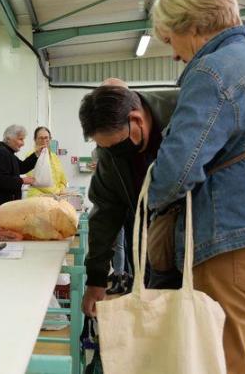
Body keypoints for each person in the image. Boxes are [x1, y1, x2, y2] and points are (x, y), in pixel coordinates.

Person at [147, 0, 245, 373]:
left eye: (170, 39)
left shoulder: (212, 71)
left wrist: (152, 197)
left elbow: (175, 174)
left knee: (219, 362)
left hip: (231, 244)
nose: (175, 53)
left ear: (194, 26)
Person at [78, 84, 179, 316]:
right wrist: (96, 278)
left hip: (201, 249)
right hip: (149, 248)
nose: (115, 154)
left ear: (137, 119)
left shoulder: (184, 115)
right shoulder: (110, 152)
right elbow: (105, 212)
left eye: (118, 145)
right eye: (105, 148)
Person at [0, 125, 40, 209]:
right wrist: (22, 180)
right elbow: (0, 179)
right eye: (20, 139)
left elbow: (22, 167)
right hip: (0, 208)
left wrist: (37, 154)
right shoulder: (2, 153)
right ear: (9, 138)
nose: (23, 143)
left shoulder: (8, 153)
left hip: (3, 206)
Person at [26, 126, 68, 197]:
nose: (44, 140)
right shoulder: (31, 156)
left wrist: (62, 189)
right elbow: (37, 181)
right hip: (38, 197)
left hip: (57, 197)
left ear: (50, 139)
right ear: (35, 139)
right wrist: (57, 192)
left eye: (46, 138)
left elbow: (63, 179)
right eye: (41, 138)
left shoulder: (54, 157)